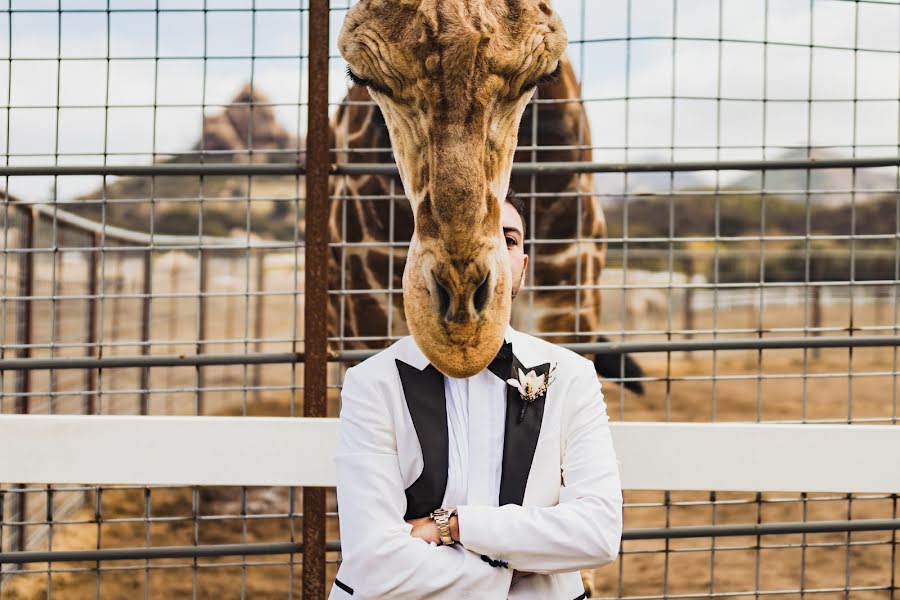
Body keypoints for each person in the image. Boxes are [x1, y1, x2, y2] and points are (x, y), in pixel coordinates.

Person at [329, 189, 623, 600]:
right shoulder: (372, 384)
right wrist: (517, 570)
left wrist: (454, 527)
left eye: (508, 238)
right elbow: (374, 561)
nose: (488, 250)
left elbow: (598, 534)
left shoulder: (571, 376)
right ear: (425, 256)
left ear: (523, 264)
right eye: (473, 233)